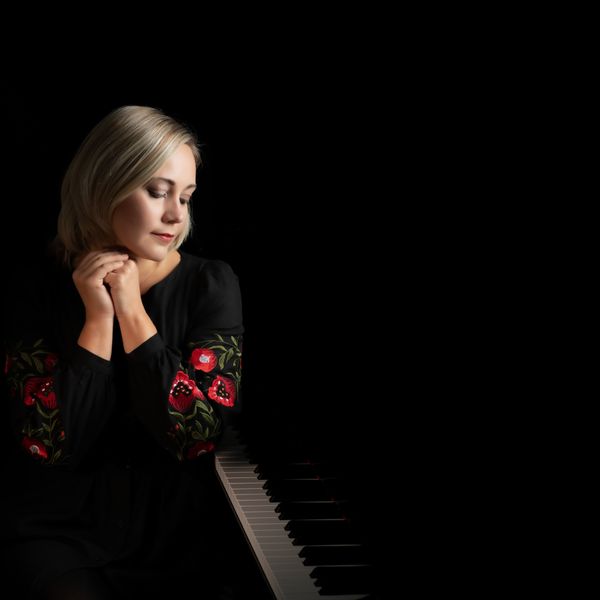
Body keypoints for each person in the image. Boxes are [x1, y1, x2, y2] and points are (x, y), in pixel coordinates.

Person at [0, 106, 244, 599]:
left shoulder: (211, 285)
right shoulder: (36, 287)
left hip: (181, 533)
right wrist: (98, 318)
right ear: (104, 185)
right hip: (61, 529)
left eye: (186, 197)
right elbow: (48, 444)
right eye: (157, 191)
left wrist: (132, 312)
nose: (176, 215)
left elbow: (197, 436)